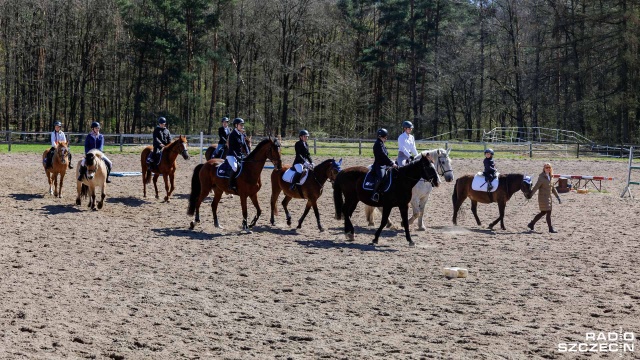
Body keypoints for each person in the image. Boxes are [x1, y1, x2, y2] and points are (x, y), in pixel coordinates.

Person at [528, 163, 562, 233]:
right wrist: (530, 194)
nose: (548, 169)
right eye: (546, 167)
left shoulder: (551, 177)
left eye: (549, 167)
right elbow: (536, 187)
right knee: (548, 212)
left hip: (549, 197)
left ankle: (531, 224)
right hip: (543, 198)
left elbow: (553, 188)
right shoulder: (541, 178)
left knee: (543, 212)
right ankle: (550, 228)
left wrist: (558, 197)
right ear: (544, 169)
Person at [371, 128, 397, 202]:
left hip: (385, 164)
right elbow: (382, 156)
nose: (386, 138)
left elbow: (386, 156)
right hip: (379, 165)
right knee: (382, 177)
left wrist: (391, 162)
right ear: (382, 136)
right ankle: (374, 193)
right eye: (385, 136)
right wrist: (391, 163)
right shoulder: (378, 144)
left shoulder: (381, 143)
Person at [226, 117, 250, 191]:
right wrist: (237, 156)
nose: (242, 126)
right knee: (235, 167)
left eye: (242, 125)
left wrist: (249, 154)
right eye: (240, 125)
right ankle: (230, 184)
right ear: (236, 125)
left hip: (239, 155)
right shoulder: (232, 135)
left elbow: (244, 145)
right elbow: (232, 147)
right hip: (231, 155)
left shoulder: (241, 134)